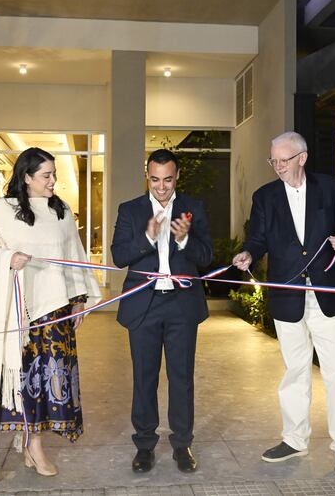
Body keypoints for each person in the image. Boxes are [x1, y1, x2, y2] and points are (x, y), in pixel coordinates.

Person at [232, 131, 335, 476]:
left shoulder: (329, 188)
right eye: (272, 160)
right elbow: (257, 239)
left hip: (329, 294)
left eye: (283, 160)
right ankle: (294, 439)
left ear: (302, 158)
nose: (277, 167)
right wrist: (248, 254)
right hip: (287, 296)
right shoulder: (265, 196)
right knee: (295, 370)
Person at [0, 147, 100, 486]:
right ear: (26, 177)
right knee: (27, 382)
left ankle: (34, 444)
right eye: (46, 175)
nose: (53, 181)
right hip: (22, 315)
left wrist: (79, 299)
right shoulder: (4, 211)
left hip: (57, 312)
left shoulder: (62, 211)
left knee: (51, 381)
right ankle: (34, 446)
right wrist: (8, 258)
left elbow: (75, 256)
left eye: (54, 174)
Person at [111, 148, 213, 474]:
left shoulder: (192, 208)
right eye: (155, 179)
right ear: (147, 176)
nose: (161, 186)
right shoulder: (130, 210)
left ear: (177, 176)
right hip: (144, 306)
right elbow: (118, 255)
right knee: (144, 378)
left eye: (167, 179)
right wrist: (147, 237)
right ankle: (144, 446)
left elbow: (207, 255)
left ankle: (182, 445)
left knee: (181, 378)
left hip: (182, 306)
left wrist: (184, 241)